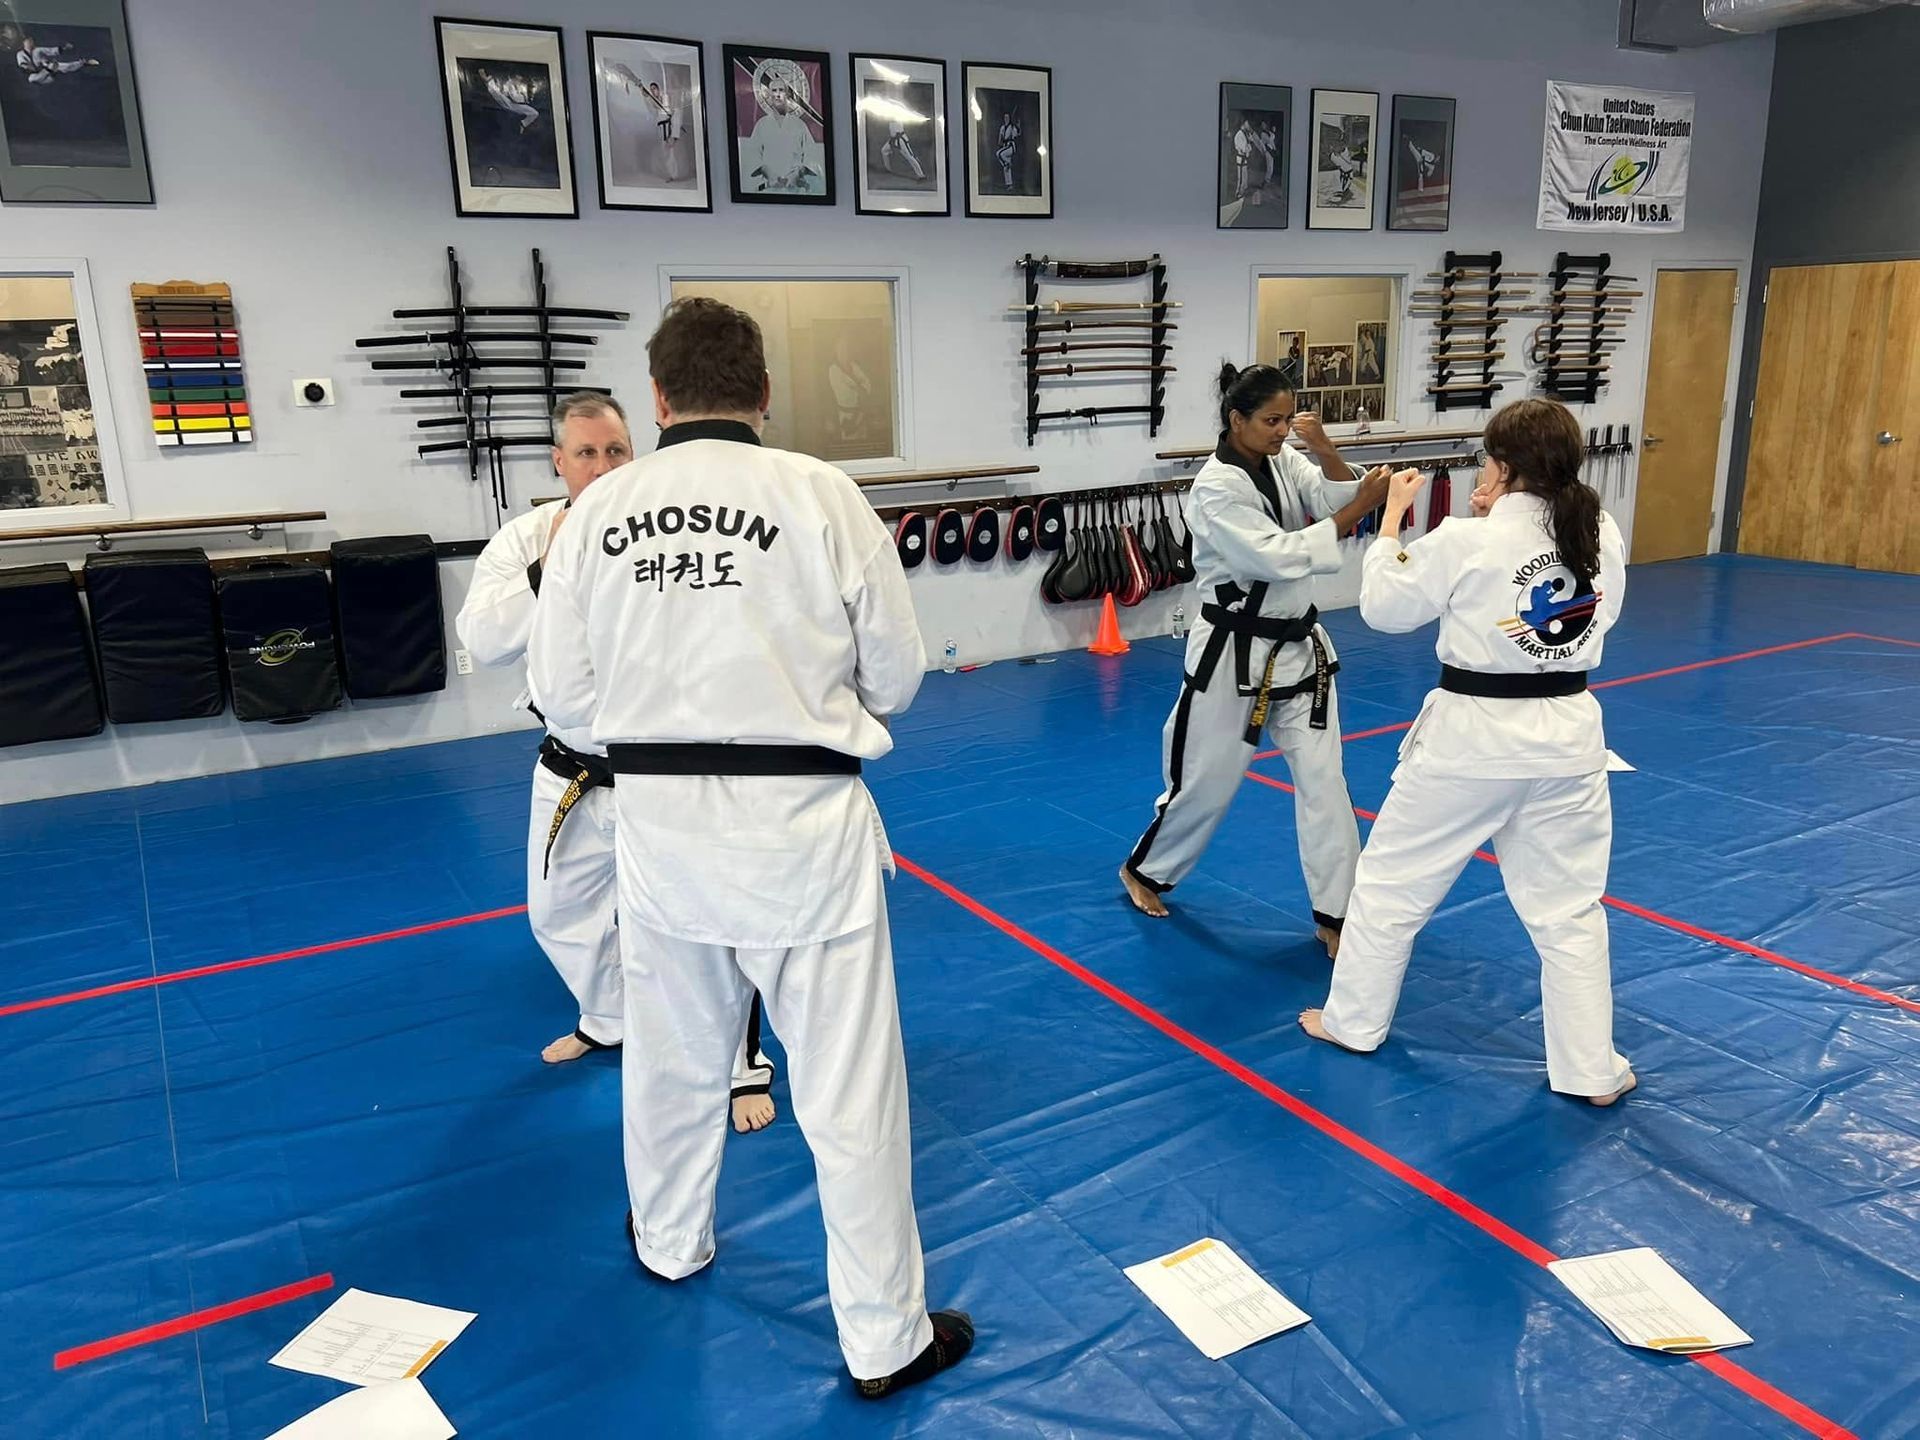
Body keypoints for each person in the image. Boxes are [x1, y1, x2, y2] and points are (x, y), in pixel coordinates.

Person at [526, 299, 972, 1397]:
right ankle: (883, 1340)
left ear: (659, 401)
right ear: (765, 394)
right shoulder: (824, 497)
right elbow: (899, 678)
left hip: (662, 834)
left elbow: (562, 699)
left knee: (675, 1060)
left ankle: (672, 1238)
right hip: (804, 837)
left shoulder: (595, 513)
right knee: (850, 1094)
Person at [455, 392, 780, 1130]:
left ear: (637, 452)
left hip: (664, 768)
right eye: (588, 453)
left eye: (617, 451)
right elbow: (483, 635)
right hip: (568, 764)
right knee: (558, 913)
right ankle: (611, 1019)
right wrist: (552, 560)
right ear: (559, 462)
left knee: (705, 921)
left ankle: (740, 1069)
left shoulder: (665, 533)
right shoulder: (525, 537)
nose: (603, 467)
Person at [1300, 398, 1635, 1107]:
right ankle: (1590, 1071)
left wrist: (1391, 518)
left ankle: (1354, 1022)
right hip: (1569, 739)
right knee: (1570, 913)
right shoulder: (1597, 528)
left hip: (1472, 742)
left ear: (1503, 465)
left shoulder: (1465, 538)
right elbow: (1595, 613)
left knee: (1392, 888)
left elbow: (1386, 611)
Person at [1122, 363, 1391, 957]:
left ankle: (1338, 916)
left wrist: (1323, 449)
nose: (1279, 431)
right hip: (1232, 655)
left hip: (1299, 651)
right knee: (1204, 785)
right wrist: (1361, 505)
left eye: (1285, 421)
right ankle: (1145, 870)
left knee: (1326, 785)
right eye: (1270, 421)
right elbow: (1279, 556)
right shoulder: (1215, 489)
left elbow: (1331, 496)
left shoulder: (1281, 459)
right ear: (1235, 419)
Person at [747, 81, 813, 192]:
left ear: (787, 94)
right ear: (769, 95)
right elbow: (752, 155)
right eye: (774, 90)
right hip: (769, 187)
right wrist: (767, 172)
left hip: (795, 188)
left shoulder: (799, 125)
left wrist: (797, 173)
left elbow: (811, 155)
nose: (778, 94)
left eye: (781, 90)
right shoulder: (762, 124)